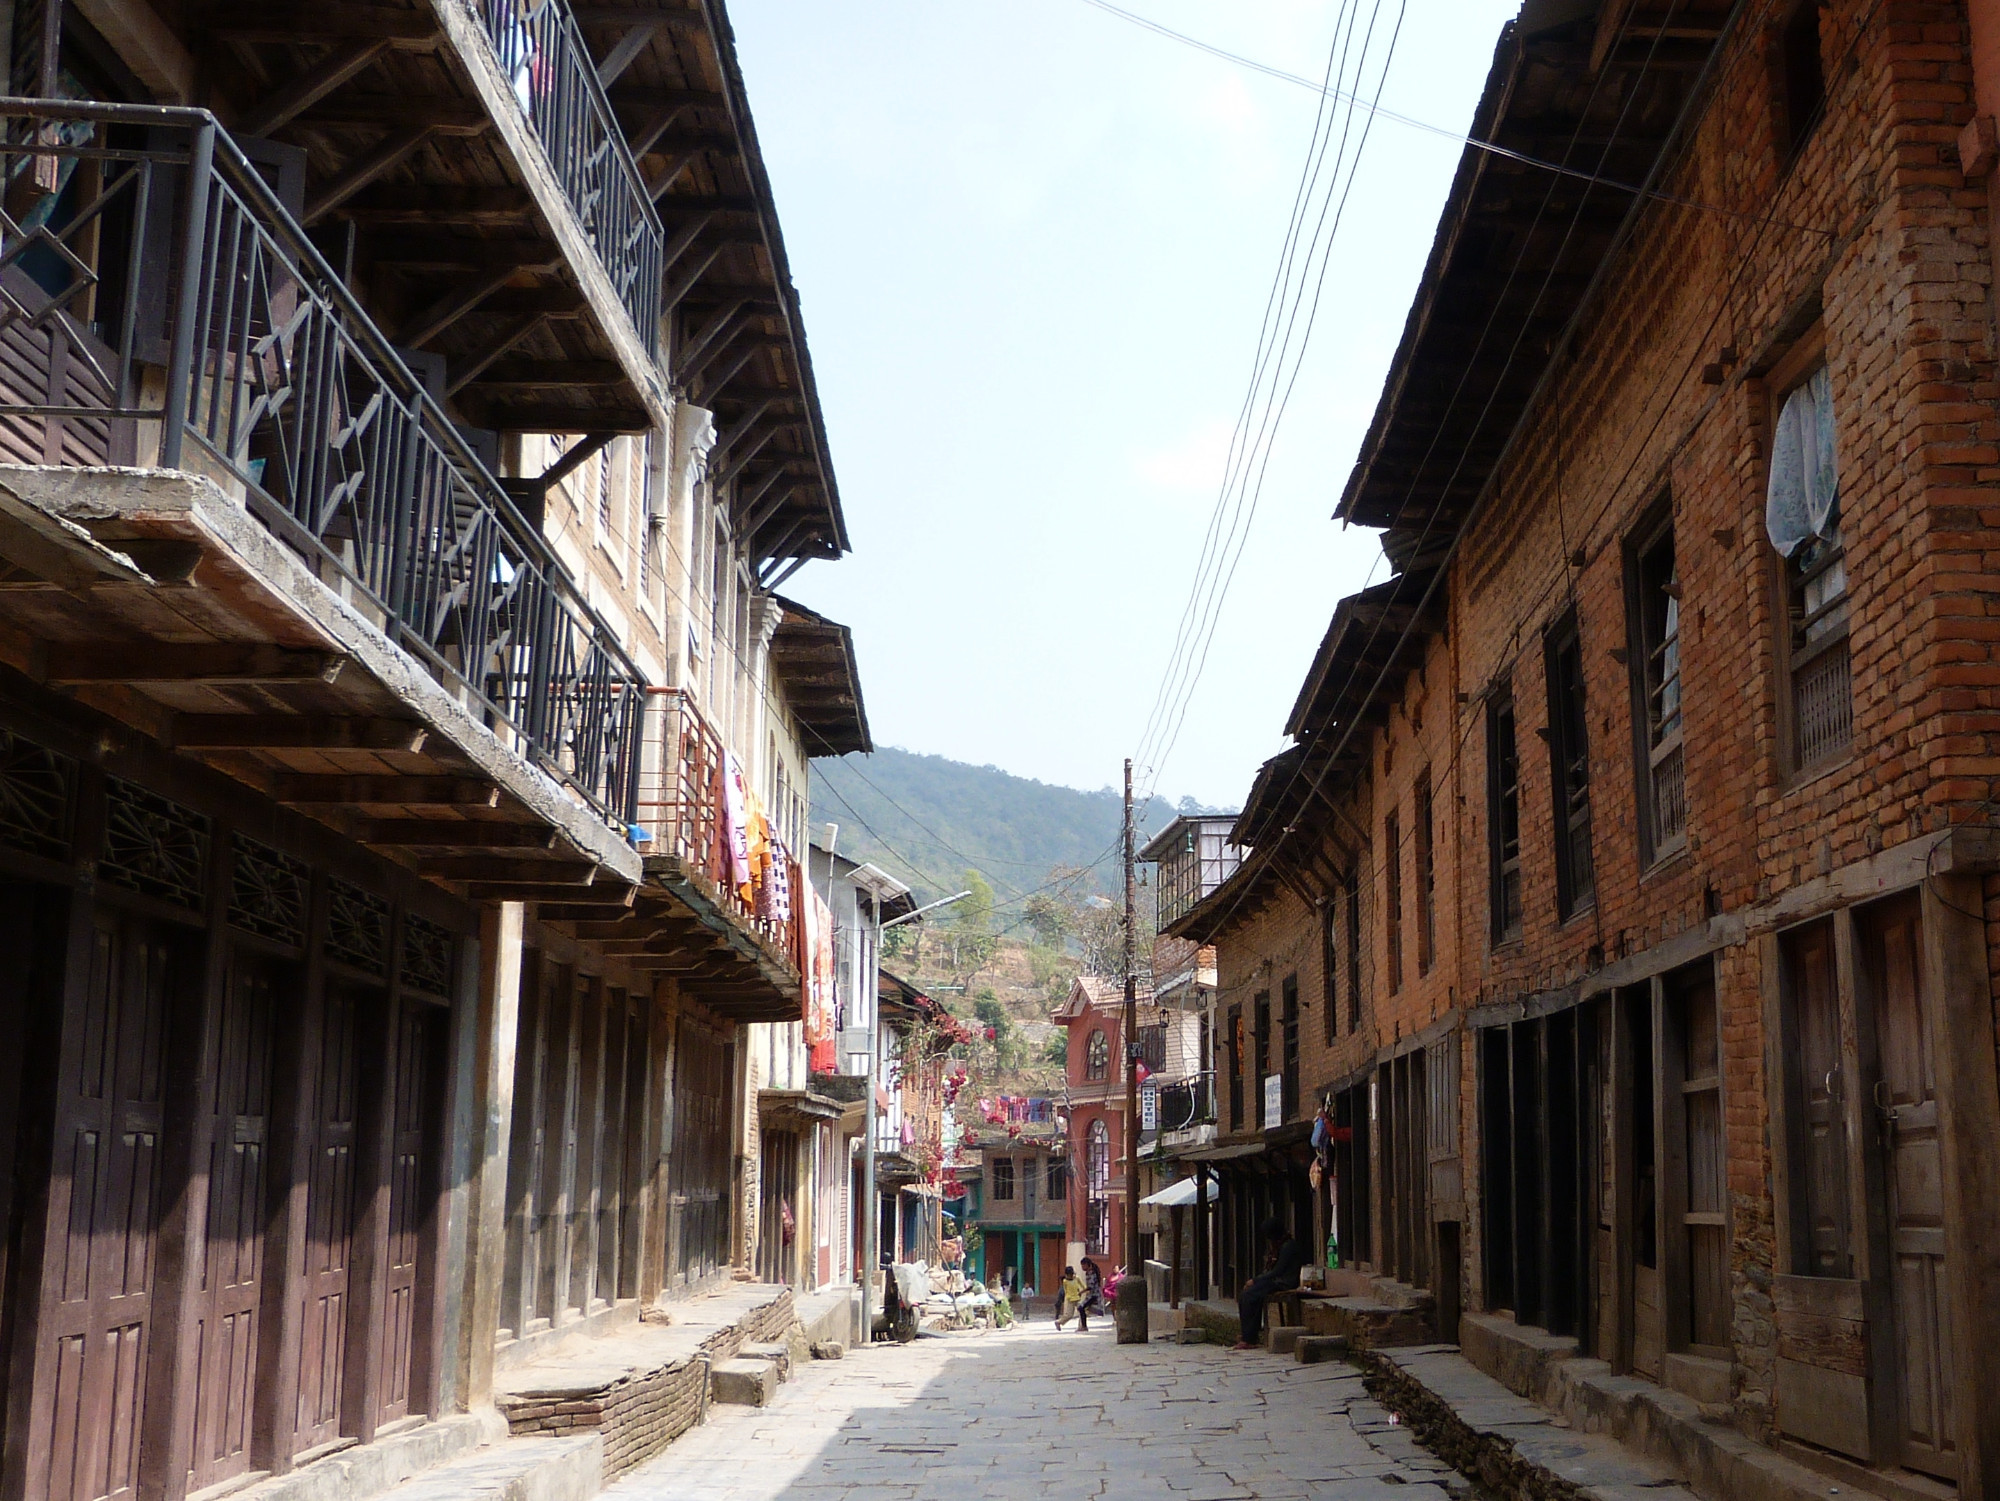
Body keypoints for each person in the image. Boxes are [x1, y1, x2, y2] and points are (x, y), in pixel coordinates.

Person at [1234, 1217, 1305, 1351]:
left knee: (1250, 1295)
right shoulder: (1279, 1246)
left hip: (1285, 1283)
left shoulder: (1289, 1246)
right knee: (1244, 1295)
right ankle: (1247, 1334)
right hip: (1276, 1281)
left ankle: (1249, 1338)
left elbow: (1278, 1271)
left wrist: (1255, 1280)